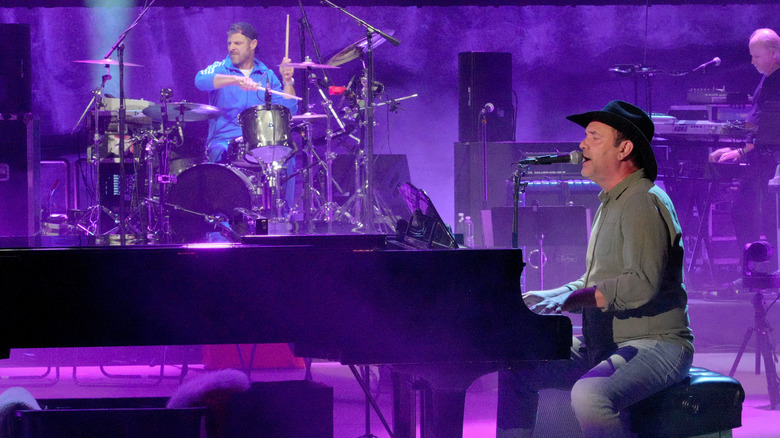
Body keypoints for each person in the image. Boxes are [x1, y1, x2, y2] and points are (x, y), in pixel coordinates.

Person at [497, 100, 694, 437]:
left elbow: (640, 284)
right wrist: (551, 296)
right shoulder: (613, 201)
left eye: (594, 137)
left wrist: (573, 300)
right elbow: (597, 280)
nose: (582, 145)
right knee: (519, 366)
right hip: (603, 342)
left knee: (590, 395)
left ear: (625, 148)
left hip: (655, 344)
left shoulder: (643, 200)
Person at [709, 28, 780, 275]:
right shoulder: (768, 78)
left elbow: (769, 129)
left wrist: (741, 151)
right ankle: (754, 272)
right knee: (747, 212)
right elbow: (755, 123)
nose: (752, 61)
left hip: (768, 162)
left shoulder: (777, 81)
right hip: (760, 157)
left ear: (774, 54)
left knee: (751, 213)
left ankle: (758, 273)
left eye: (756, 56)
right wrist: (735, 144)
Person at [195, 21, 299, 164]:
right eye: (229, 43)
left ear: (253, 44)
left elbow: (289, 111)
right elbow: (200, 81)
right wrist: (235, 80)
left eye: (237, 43)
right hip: (224, 141)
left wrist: (287, 80)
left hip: (260, 142)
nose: (231, 48)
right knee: (218, 154)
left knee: (288, 160)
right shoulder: (220, 68)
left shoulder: (266, 75)